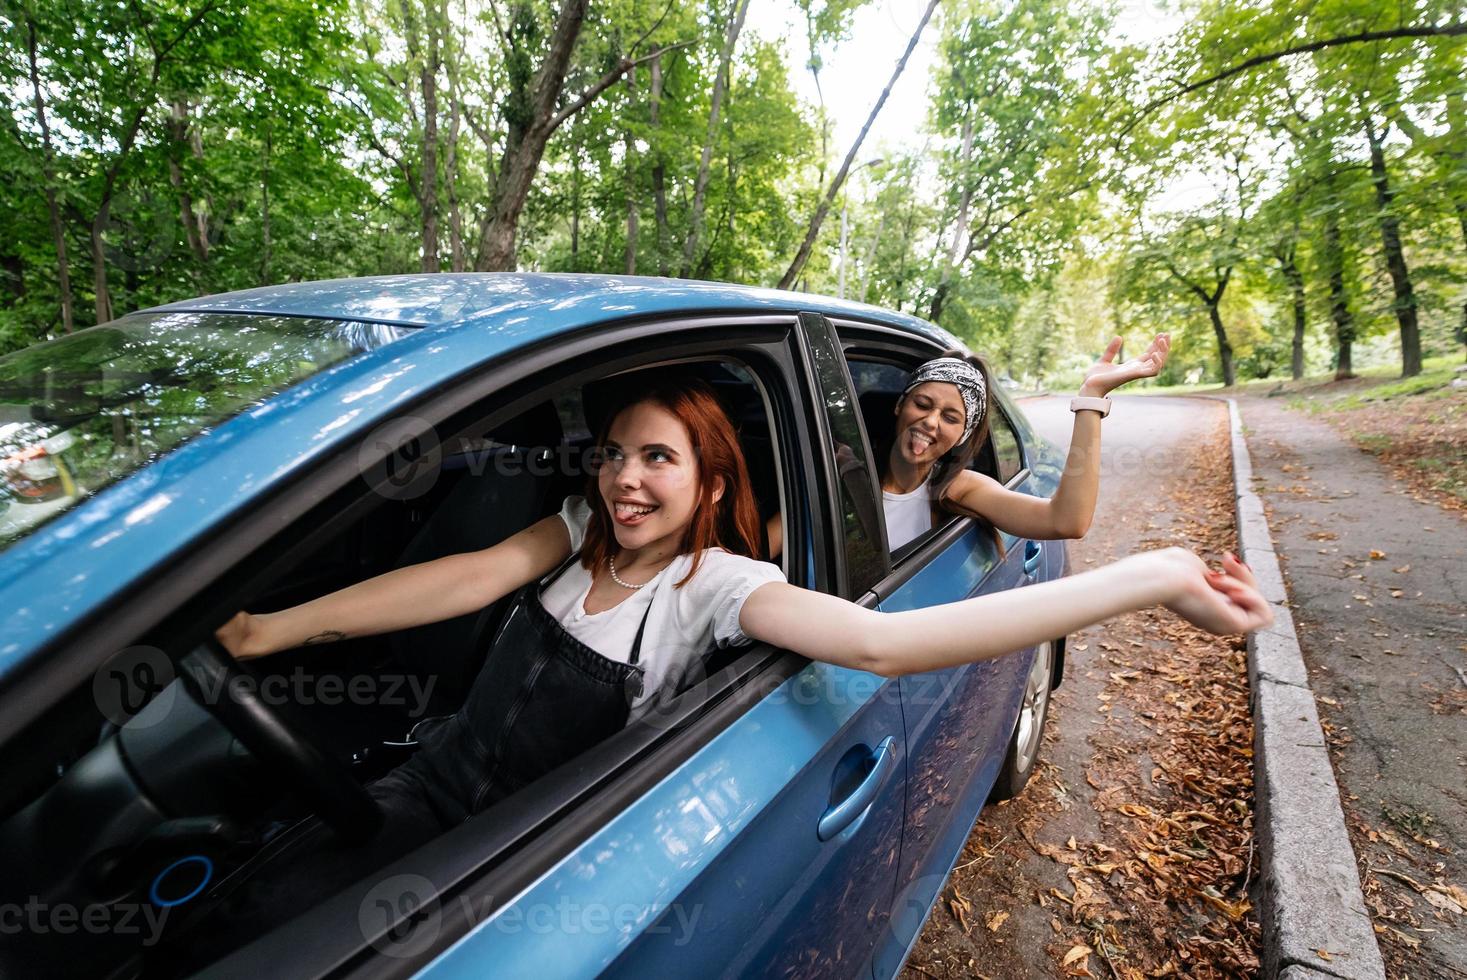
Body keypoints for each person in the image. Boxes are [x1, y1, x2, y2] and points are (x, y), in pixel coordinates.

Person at [194, 369, 1264, 967]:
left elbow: (882, 641)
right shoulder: (577, 528)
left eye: (657, 457)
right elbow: (464, 577)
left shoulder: (718, 582)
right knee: (237, 922)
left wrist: (1151, 574)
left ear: (707, 479)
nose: (623, 477)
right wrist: (271, 629)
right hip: (420, 796)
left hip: (520, 859)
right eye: (614, 451)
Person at [767, 334, 1170, 556]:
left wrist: (1091, 399)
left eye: (950, 417)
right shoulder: (838, 470)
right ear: (899, 406)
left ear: (962, 434)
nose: (929, 422)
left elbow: (1067, 521)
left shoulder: (959, 488)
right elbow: (765, 546)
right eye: (922, 404)